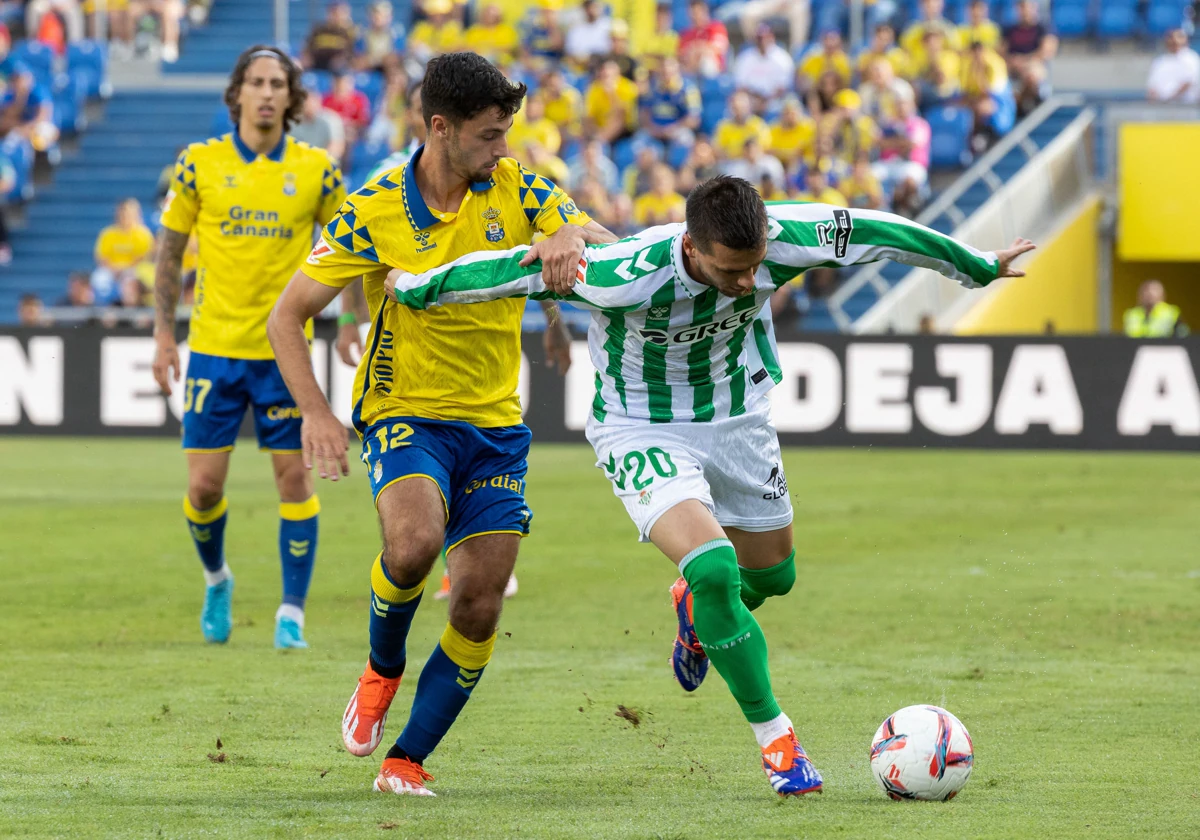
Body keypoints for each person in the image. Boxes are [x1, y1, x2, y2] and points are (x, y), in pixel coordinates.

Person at [380, 176, 1036, 797]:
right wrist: (412, 286)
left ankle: (694, 614)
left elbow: (878, 231)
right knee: (715, 569)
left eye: (754, 267)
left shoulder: (782, 237)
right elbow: (505, 272)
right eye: (731, 270)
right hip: (641, 429)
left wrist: (974, 265)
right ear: (692, 247)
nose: (748, 281)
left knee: (774, 578)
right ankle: (779, 744)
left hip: (739, 421)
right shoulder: (621, 272)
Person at [265, 51, 617, 797]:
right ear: (439, 128)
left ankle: (407, 759)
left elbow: (601, 240)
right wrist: (318, 414)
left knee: (481, 601)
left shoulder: (517, 183)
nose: (502, 149)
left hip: (495, 423)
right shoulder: (373, 209)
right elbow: (286, 315)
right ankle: (381, 669)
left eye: (506, 133)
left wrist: (572, 234)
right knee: (416, 544)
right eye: (489, 136)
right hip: (405, 410)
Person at [151, 46, 347, 649]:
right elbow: (169, 252)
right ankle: (217, 580)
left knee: (294, 480)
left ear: (291, 99)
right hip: (212, 347)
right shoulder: (198, 164)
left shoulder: (317, 169)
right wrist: (163, 331)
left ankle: (292, 612)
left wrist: (360, 322)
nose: (266, 93)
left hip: (283, 356)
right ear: (236, 92)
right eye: (256, 82)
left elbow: (353, 248)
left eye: (277, 84)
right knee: (204, 488)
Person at [93, 198, 155, 306]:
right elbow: (102, 258)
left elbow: (142, 258)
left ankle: (132, 309)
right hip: (112, 270)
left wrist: (124, 269)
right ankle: (104, 311)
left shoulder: (143, 234)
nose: (125, 216)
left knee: (131, 280)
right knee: (99, 279)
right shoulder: (108, 234)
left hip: (134, 270)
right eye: (122, 212)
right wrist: (114, 270)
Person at [733, 23, 795, 110]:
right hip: (751, 100)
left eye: (765, 37)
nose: (762, 41)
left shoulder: (782, 58)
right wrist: (757, 98)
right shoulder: (745, 57)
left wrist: (766, 100)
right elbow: (741, 86)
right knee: (739, 101)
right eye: (759, 38)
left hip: (775, 100)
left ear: (772, 38)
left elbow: (784, 87)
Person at [290, 89, 346, 162]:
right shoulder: (293, 121)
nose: (309, 105)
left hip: (324, 163)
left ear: (318, 102)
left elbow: (336, 147)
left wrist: (318, 162)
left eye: (312, 101)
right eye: (305, 102)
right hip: (299, 162)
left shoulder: (331, 119)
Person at [1147, 29, 1200, 105]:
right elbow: (1152, 86)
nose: (1173, 41)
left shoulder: (1191, 58)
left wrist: (1171, 99)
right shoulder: (1159, 61)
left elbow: (1189, 82)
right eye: (1170, 38)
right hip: (1161, 107)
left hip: (1185, 106)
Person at [305, 0, 357, 72]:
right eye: (333, 12)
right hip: (317, 62)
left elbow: (354, 53)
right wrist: (307, 56)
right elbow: (307, 46)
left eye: (339, 12)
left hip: (340, 66)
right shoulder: (319, 30)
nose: (336, 16)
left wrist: (343, 59)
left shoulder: (352, 32)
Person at [1123, 280, 1189, 337]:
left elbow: (1183, 335)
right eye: (1146, 291)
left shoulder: (1171, 313)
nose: (1149, 294)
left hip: (1163, 349)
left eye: (1154, 290)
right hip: (1136, 349)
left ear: (1162, 295)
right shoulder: (1131, 314)